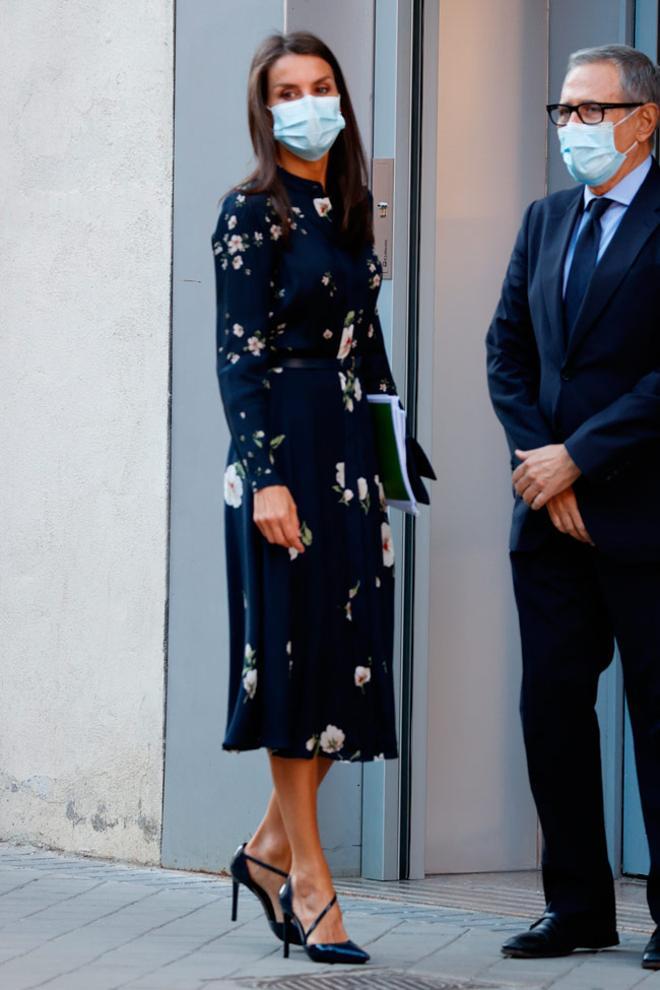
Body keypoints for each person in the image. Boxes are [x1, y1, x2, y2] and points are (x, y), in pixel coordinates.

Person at [212, 32, 400, 965]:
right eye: (288, 91)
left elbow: (366, 344)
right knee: (294, 667)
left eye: (321, 86)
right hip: (283, 456)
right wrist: (267, 477)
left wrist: (396, 451)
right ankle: (312, 885)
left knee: (348, 663)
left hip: (350, 463)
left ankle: (264, 852)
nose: (307, 102)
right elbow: (237, 360)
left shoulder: (356, 205)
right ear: (265, 107)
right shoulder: (250, 212)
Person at [486, 44, 660, 969]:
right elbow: (506, 351)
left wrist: (581, 460)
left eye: (589, 112)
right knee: (552, 706)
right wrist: (540, 469)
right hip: (548, 518)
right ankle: (579, 908)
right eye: (562, 112)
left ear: (644, 118)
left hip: (642, 512)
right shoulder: (545, 219)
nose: (571, 129)